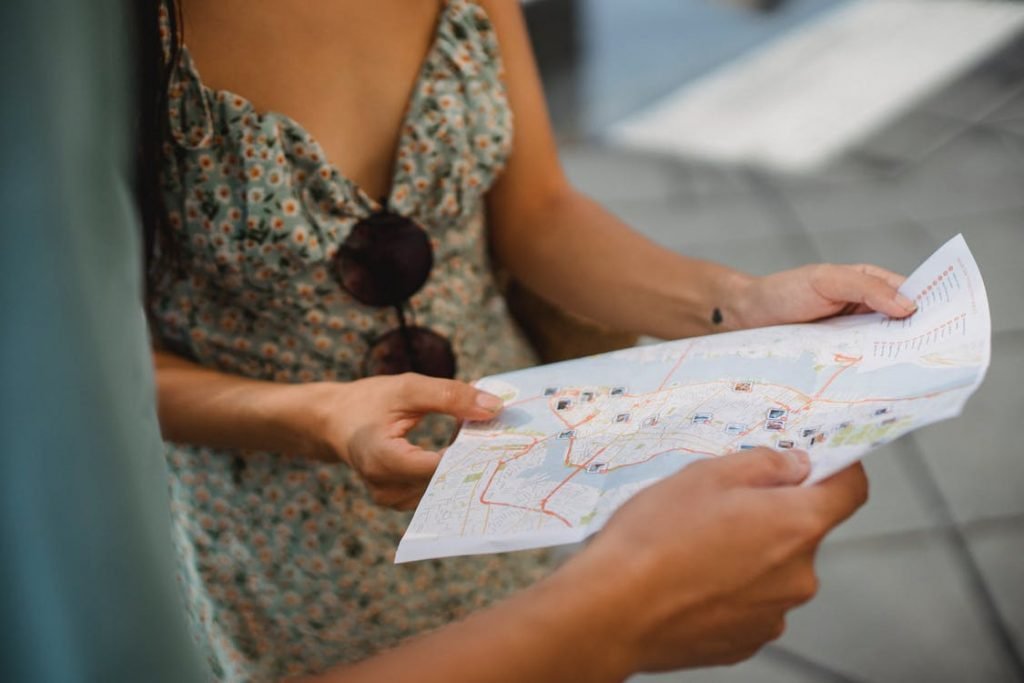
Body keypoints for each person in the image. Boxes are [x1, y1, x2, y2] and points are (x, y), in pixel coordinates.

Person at [2, 1, 876, 681]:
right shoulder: (84, 39)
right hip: (288, 542)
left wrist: (740, 301)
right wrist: (315, 417)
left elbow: (538, 213)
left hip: (517, 465)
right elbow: (84, 372)